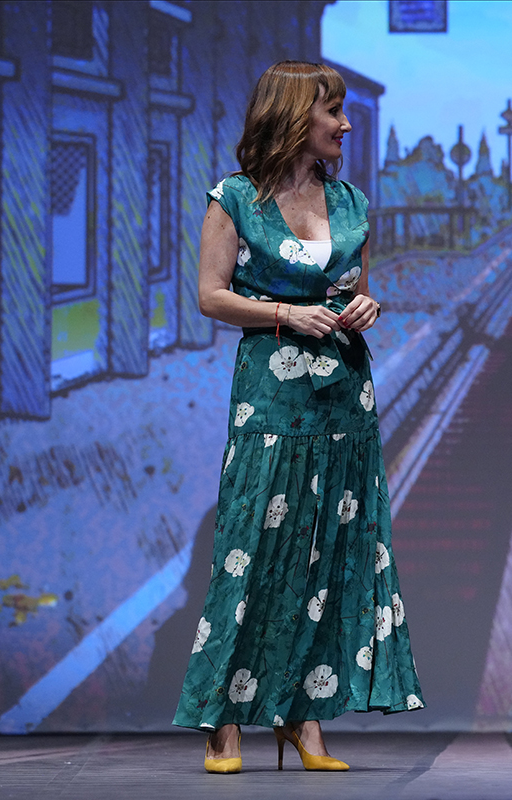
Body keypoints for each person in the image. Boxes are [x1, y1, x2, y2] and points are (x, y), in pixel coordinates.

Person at [174, 61, 423, 773]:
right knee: (251, 546)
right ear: (293, 115)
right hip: (273, 392)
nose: (345, 124)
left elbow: (356, 292)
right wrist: (285, 312)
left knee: (334, 551)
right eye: (333, 112)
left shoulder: (352, 204)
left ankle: (305, 721)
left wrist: (364, 308)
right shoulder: (236, 200)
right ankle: (225, 722)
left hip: (345, 394)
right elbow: (211, 296)